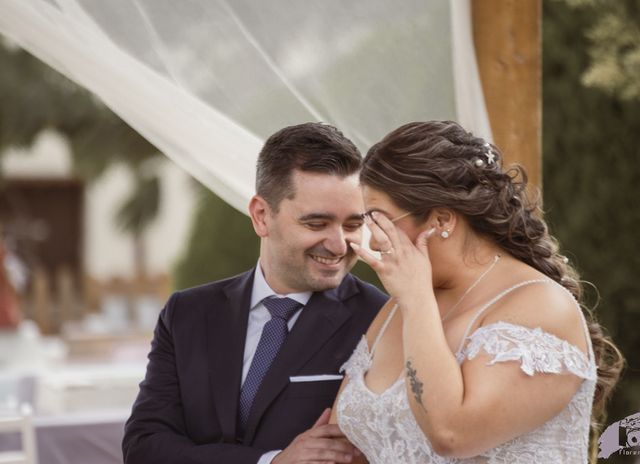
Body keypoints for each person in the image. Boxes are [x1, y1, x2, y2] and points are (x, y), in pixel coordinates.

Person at [331, 121, 623, 463]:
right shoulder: (397, 307)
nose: (374, 239)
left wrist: (417, 301)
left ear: (441, 221)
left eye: (379, 220)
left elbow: (451, 434)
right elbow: (345, 434)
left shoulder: (540, 307)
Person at [123, 122, 387, 464]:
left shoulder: (380, 318)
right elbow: (143, 448)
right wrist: (271, 462)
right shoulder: (187, 312)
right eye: (317, 223)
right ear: (262, 216)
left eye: (352, 225)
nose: (338, 244)